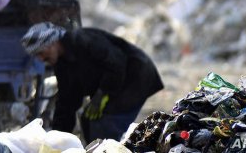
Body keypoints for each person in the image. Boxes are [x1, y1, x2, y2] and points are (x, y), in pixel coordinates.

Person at [21, 22, 164, 144]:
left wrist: (103, 93)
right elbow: (67, 101)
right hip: (117, 85)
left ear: (52, 43)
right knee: (87, 121)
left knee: (105, 124)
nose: (40, 59)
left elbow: (117, 63)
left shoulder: (84, 40)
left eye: (41, 53)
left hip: (135, 77)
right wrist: (56, 139)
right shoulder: (62, 65)